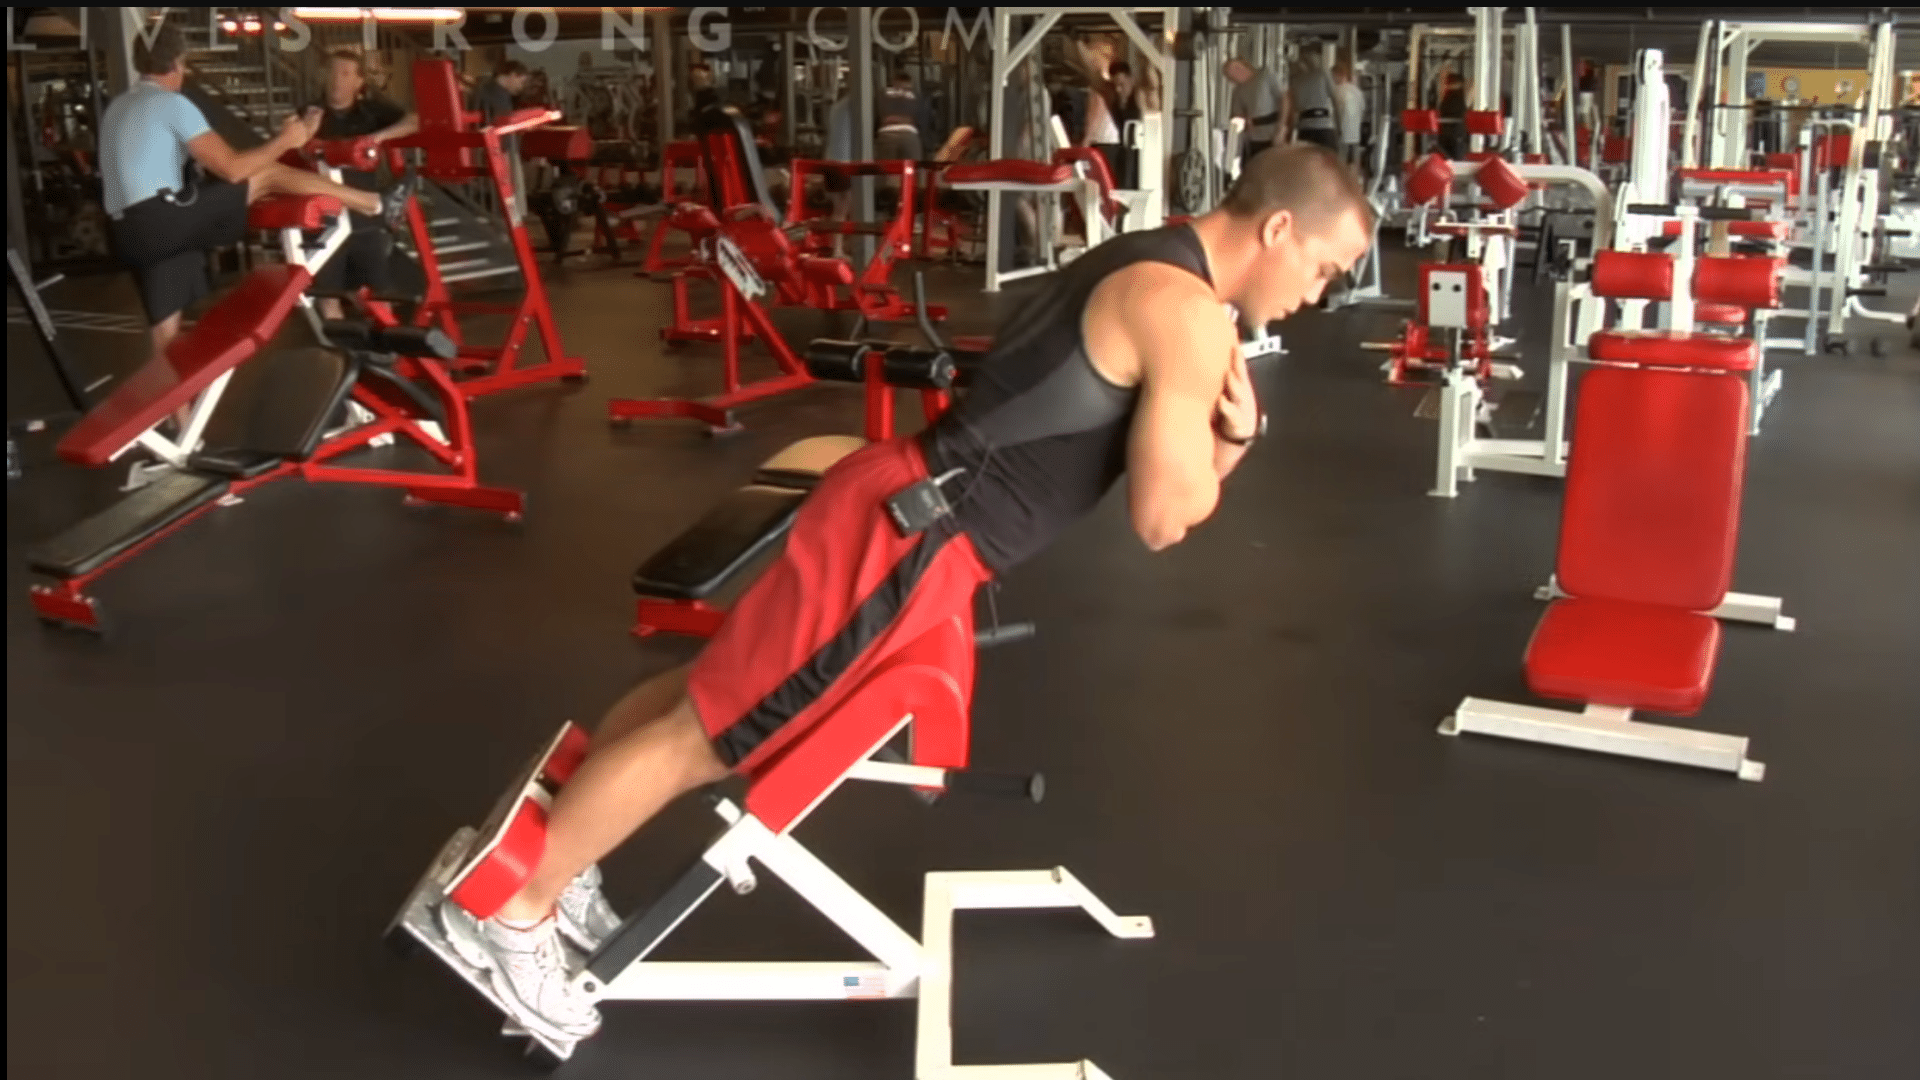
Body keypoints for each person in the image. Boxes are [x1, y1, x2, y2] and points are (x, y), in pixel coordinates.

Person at [432, 143, 1375, 1044]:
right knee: (715, 735)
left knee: (706, 690)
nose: (1317, 294)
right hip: (914, 540)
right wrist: (1241, 435)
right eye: (1326, 269)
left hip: (900, 505)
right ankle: (512, 912)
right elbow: (1165, 517)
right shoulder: (1189, 313)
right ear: (1281, 228)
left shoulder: (1149, 254)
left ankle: (561, 853)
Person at [99, 21, 412, 420]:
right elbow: (232, 169)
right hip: (163, 220)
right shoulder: (171, 103)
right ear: (179, 62)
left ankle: (181, 438)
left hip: (127, 233)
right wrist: (287, 141)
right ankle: (373, 204)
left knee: (165, 331)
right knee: (267, 175)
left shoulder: (119, 105)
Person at [309, 49, 419, 320]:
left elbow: (415, 121)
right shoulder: (310, 114)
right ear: (323, 76)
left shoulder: (371, 112)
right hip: (326, 218)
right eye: (333, 72)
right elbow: (293, 143)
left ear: (359, 82)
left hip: (365, 217)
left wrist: (377, 138)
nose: (337, 80)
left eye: (346, 74)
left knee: (377, 295)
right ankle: (337, 357)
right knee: (329, 296)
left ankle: (385, 353)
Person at [473, 59, 531, 216]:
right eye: (521, 81)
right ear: (512, 75)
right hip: (500, 151)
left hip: (500, 149)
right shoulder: (494, 95)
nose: (521, 87)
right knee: (506, 196)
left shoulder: (491, 91)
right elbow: (498, 124)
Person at [1225, 58, 1288, 167]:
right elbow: (1236, 115)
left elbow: (1284, 99)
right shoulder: (1238, 91)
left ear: (1244, 64)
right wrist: (1244, 119)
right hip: (1253, 137)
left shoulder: (1265, 75)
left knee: (1274, 166)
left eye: (1236, 68)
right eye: (1231, 74)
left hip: (1273, 131)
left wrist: (1282, 127)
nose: (1236, 73)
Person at [1289, 54, 1340, 152]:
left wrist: (1291, 133)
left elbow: (1294, 109)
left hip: (1304, 128)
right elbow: (1335, 100)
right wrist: (1339, 126)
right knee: (1329, 161)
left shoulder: (1295, 81)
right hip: (1323, 126)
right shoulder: (1323, 73)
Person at [1332, 56, 1368, 173]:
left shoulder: (1337, 91)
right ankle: (1354, 184)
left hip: (1341, 132)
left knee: (1340, 163)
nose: (1332, 79)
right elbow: (1363, 109)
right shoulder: (1357, 91)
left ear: (1340, 75)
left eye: (1333, 76)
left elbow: (1334, 112)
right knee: (1355, 162)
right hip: (1355, 132)